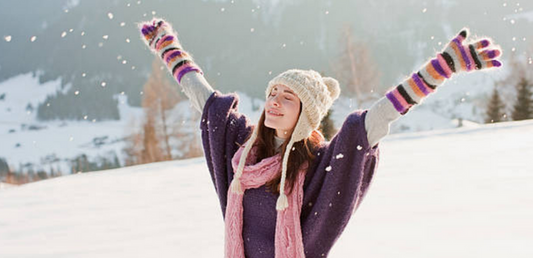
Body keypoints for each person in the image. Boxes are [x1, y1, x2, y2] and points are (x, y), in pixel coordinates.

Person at [140, 19, 502, 258]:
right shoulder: (243, 152)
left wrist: (440, 69)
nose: (275, 102)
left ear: (305, 115)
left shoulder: (319, 165)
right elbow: (207, 102)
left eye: (288, 97)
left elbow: (374, 121)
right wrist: (169, 48)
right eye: (273, 92)